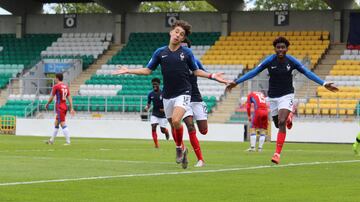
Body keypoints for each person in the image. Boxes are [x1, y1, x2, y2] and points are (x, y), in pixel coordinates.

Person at [112, 20, 229, 169]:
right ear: (171, 32)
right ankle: (182, 148)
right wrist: (129, 70)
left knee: (176, 121)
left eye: (181, 34)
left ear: (183, 39)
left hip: (185, 93)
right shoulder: (160, 52)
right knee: (174, 126)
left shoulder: (187, 53)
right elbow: (148, 70)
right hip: (168, 96)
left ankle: (183, 149)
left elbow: (196, 71)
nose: (178, 35)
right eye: (177, 32)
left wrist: (213, 76)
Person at [226, 36, 338, 164]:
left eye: (283, 47)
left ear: (287, 49)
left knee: (281, 121)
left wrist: (323, 83)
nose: (280, 49)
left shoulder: (292, 61)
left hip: (287, 95)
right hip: (272, 97)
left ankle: (277, 154)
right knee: (277, 124)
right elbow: (254, 72)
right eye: (278, 47)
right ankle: (289, 117)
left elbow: (307, 72)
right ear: (275, 49)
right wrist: (236, 82)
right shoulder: (269, 60)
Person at [181, 38, 208, 167]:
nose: (183, 48)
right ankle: (200, 159)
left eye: (185, 46)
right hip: (183, 99)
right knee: (190, 127)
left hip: (196, 99)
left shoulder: (195, 61)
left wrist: (215, 77)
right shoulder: (174, 62)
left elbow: (204, 72)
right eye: (181, 46)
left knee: (203, 131)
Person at [45, 73, 75, 145]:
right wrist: (71, 108)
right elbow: (69, 97)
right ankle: (51, 140)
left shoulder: (56, 86)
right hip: (64, 106)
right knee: (56, 123)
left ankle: (68, 142)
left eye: (55, 78)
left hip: (59, 107)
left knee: (62, 123)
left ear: (57, 78)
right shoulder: (66, 86)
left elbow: (52, 97)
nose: (55, 79)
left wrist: (47, 103)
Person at [144, 78, 170, 148]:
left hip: (163, 115)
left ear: (159, 84)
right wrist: (146, 107)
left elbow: (168, 103)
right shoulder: (150, 94)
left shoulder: (163, 93)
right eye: (153, 84)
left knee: (162, 130)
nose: (154, 85)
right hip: (154, 113)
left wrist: (165, 109)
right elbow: (149, 104)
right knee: (153, 126)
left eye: (156, 84)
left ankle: (166, 131)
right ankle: (156, 145)